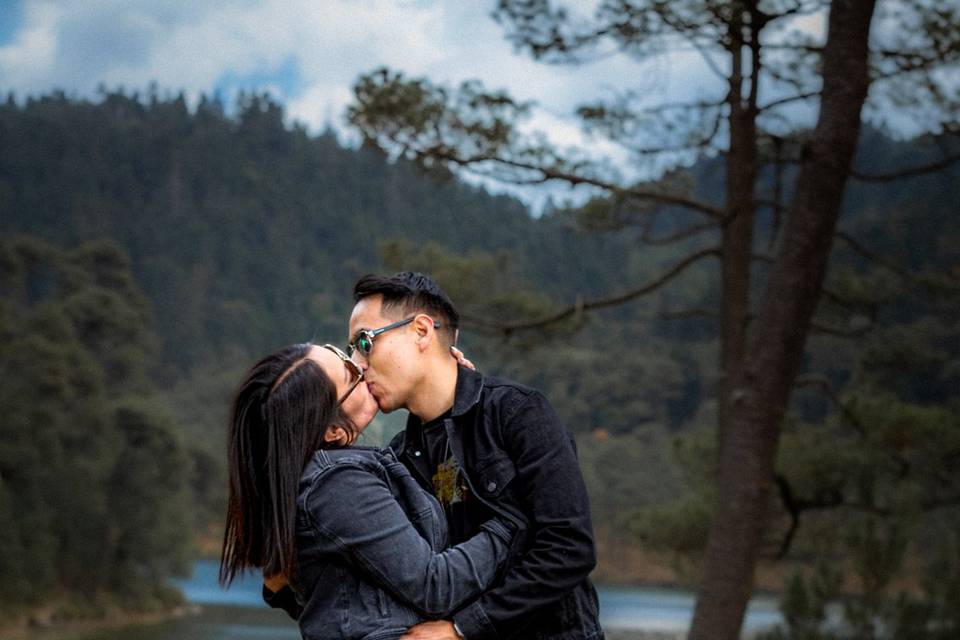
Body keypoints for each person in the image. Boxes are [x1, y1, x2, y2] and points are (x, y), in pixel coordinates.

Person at [348, 272, 603, 640]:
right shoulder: (396, 460)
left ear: (421, 331)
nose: (358, 362)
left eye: (365, 342)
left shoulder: (516, 413)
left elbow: (570, 547)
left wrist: (461, 630)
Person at [219, 342, 518, 640]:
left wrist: (446, 395)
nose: (360, 366)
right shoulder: (336, 484)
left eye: (340, 354)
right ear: (331, 431)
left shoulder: (330, 477)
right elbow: (434, 585)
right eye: (349, 375)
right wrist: (510, 523)